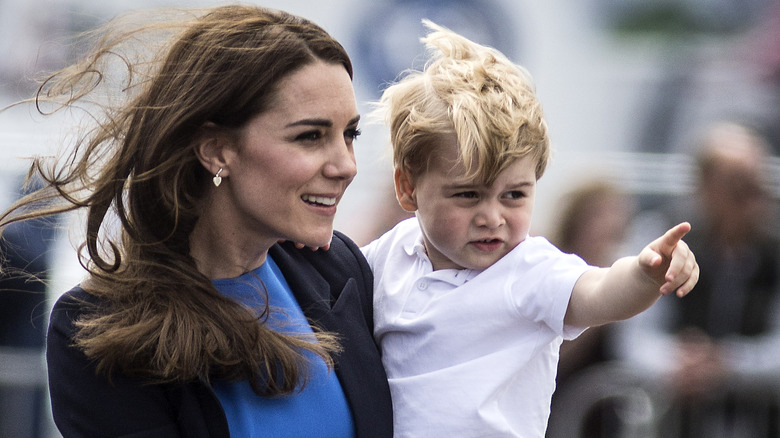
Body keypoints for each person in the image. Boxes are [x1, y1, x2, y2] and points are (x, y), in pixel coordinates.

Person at [0, 5, 392, 437]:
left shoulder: (336, 268)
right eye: (310, 136)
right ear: (216, 150)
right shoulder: (95, 330)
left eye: (349, 134)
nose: (346, 165)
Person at [362, 21, 699, 437]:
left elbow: (601, 292)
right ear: (408, 188)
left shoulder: (529, 268)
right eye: (468, 195)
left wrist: (646, 272)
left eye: (514, 196)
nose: (493, 217)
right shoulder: (387, 255)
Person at [617, 121, 780, 437]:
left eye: (756, 186)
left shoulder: (775, 248)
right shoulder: (661, 236)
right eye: (737, 186)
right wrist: (676, 364)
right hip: (670, 420)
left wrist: (727, 364)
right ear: (704, 185)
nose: (751, 199)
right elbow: (634, 337)